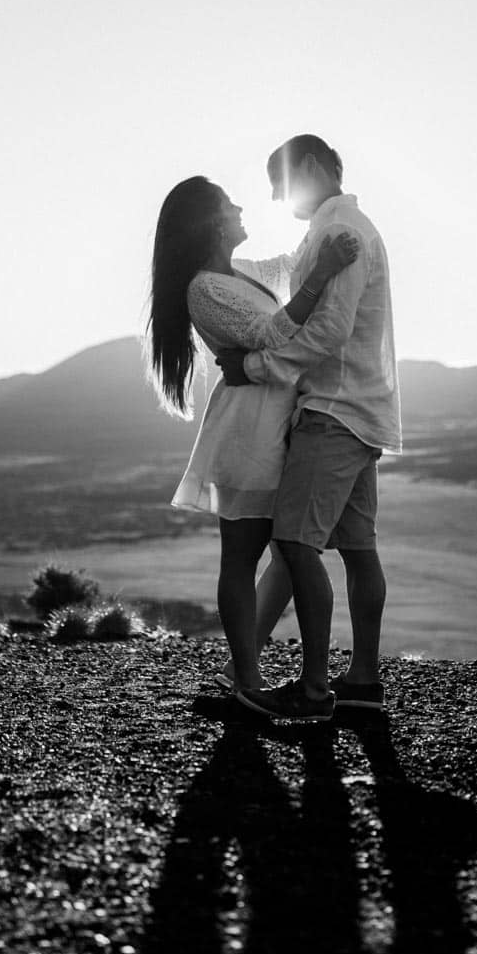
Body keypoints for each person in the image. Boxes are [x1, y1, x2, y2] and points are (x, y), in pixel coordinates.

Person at [146, 175, 359, 694]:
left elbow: (290, 265)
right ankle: (247, 676)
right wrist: (323, 272)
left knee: (291, 552)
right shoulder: (204, 288)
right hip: (249, 431)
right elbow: (271, 332)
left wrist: (330, 217)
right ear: (211, 223)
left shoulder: (237, 273)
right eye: (229, 204)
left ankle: (244, 671)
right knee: (244, 557)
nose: (241, 207)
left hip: (279, 422)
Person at [218, 134, 401, 722]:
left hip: (332, 410)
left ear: (314, 167)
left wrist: (255, 367)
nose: (275, 197)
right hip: (363, 412)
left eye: (280, 182)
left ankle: (316, 690)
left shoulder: (337, 232)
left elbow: (329, 333)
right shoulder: (348, 228)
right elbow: (291, 288)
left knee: (296, 545)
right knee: (357, 548)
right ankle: (363, 682)